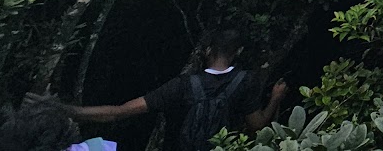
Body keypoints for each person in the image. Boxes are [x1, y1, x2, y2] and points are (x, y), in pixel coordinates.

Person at [63, 27, 287, 151]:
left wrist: (66, 110)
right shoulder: (245, 82)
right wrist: (275, 98)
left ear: (207, 50)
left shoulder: (182, 85)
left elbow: (119, 112)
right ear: (237, 52)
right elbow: (257, 126)